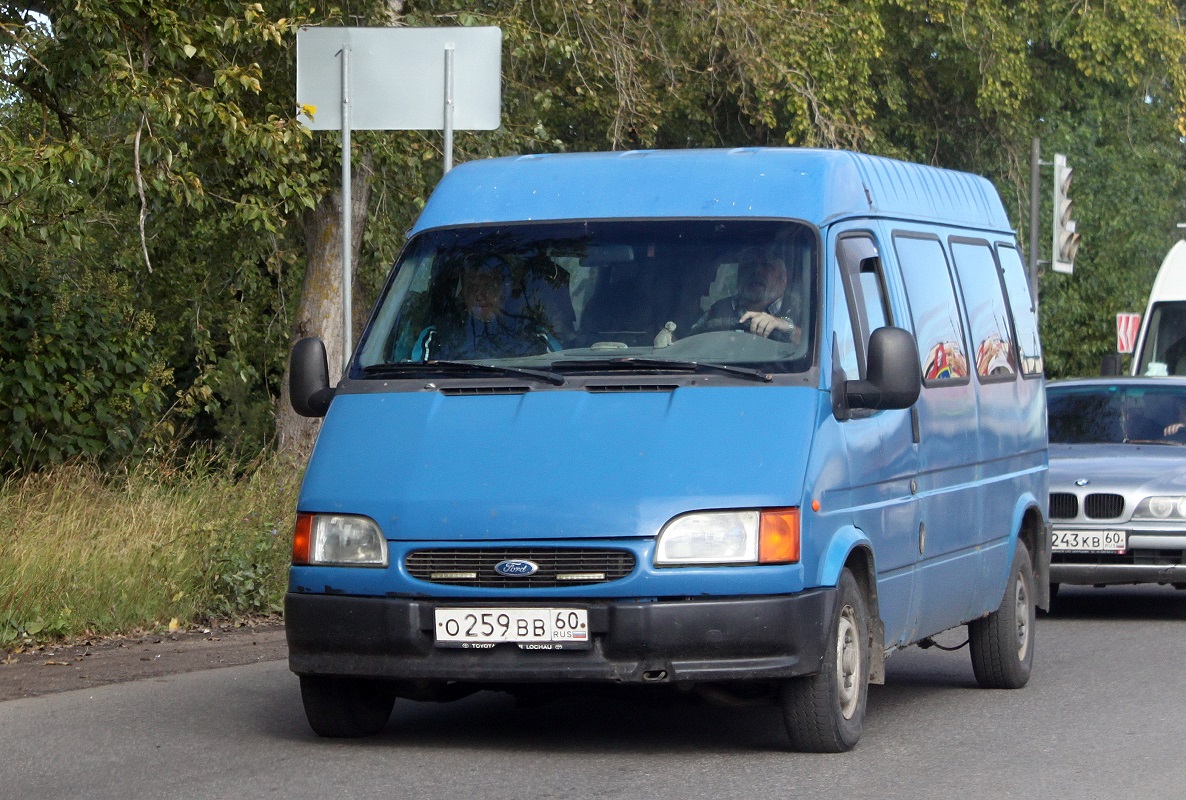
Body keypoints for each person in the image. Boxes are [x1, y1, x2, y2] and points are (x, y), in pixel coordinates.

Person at [411, 255, 558, 361]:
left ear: (505, 291)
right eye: (472, 288)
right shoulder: (436, 337)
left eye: (489, 286)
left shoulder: (535, 337)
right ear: (463, 294)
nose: (480, 296)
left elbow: (564, 376)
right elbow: (416, 382)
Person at [690, 248, 798, 341]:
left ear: (783, 279)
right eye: (749, 265)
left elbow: (811, 347)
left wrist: (786, 327)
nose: (756, 270)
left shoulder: (800, 310)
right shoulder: (719, 309)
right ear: (739, 275)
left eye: (766, 266)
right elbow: (689, 341)